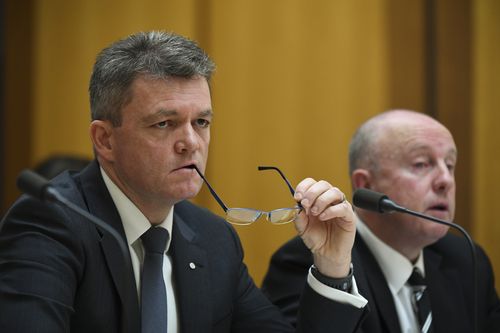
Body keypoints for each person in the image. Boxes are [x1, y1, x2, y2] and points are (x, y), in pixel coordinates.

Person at [0, 31, 368, 333]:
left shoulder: (212, 239)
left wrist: (331, 266)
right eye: (164, 124)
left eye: (201, 123)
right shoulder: (49, 222)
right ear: (105, 140)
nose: (191, 142)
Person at [262, 110, 500, 333]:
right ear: (365, 185)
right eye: (421, 164)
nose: (446, 181)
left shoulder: (466, 261)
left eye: (450, 165)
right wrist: (331, 274)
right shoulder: (314, 262)